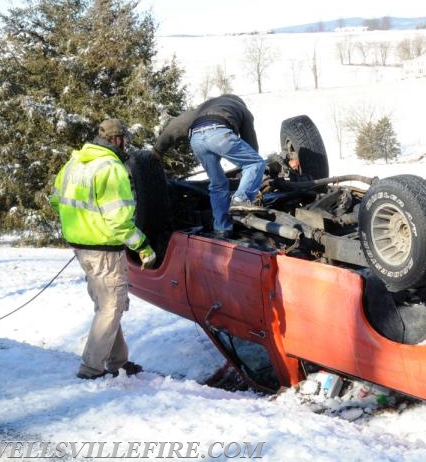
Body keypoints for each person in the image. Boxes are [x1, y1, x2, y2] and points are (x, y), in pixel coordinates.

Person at [50, 119, 157, 380]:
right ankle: (91, 369)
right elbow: (119, 220)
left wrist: (82, 228)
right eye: (125, 140)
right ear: (118, 139)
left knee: (108, 305)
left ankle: (117, 361)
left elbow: (56, 200)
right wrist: (142, 245)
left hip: (81, 247)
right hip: (104, 249)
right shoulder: (111, 168)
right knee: (110, 307)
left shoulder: (74, 162)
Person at [154, 94, 265, 237]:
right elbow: (251, 148)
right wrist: (249, 177)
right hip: (219, 133)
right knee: (256, 163)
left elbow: (174, 126)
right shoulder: (241, 109)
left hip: (197, 140)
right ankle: (241, 199)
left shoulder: (204, 107)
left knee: (218, 184)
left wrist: (157, 150)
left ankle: (222, 228)